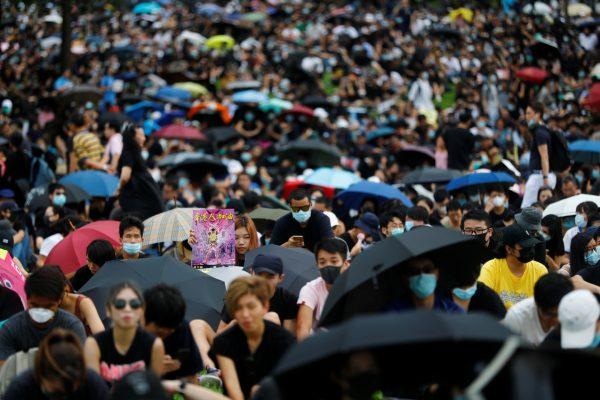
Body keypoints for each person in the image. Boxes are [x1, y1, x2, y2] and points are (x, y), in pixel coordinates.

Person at [211, 276, 295, 400]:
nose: (245, 315)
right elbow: (233, 389)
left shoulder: (283, 339)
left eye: (251, 306)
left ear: (265, 306)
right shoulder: (224, 342)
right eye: (238, 308)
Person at [0, 266, 86, 366]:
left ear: (59, 301)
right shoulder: (11, 329)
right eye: (35, 305)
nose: (41, 311)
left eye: (48, 306)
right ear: (27, 299)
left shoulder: (72, 326)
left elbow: (80, 368)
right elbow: (4, 372)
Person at [84, 282, 165, 383]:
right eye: (120, 304)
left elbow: (154, 389)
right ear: (108, 310)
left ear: (142, 310)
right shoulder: (93, 344)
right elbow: (94, 389)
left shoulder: (155, 345)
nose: (127, 309)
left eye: (134, 304)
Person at [3, 329, 109, 400]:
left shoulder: (92, 383)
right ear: (41, 374)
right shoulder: (22, 387)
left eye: (68, 390)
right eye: (54, 393)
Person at [143, 284, 205, 380]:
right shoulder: (127, 331)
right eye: (158, 334)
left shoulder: (181, 329)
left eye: (169, 334)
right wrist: (151, 370)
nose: (161, 340)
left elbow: (190, 377)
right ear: (143, 318)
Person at [478, 223, 548, 309]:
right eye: (524, 246)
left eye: (531, 244)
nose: (530, 249)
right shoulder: (491, 269)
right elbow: (482, 302)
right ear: (508, 249)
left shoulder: (540, 270)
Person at [296, 238, 350, 339]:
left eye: (334, 261)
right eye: (322, 262)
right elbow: (303, 327)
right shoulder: (311, 289)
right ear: (317, 266)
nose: (328, 265)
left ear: (346, 264)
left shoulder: (356, 286)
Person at [502, 273, 573, 346]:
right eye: (549, 314)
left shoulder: (575, 313)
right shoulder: (516, 318)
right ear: (536, 304)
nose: (556, 320)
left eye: (561, 313)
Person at [116, 124, 163, 221]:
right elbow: (125, 176)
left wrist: (118, 189)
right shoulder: (129, 151)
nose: (144, 138)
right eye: (141, 135)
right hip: (138, 198)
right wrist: (119, 189)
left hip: (140, 196)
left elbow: (126, 176)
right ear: (132, 137)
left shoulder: (133, 151)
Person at [44, 265, 104, 335]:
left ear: (66, 288)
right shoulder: (42, 307)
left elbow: (100, 333)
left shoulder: (83, 303)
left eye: (53, 294)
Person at [521, 103, 556, 208]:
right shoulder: (543, 129)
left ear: (538, 114)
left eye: (529, 113)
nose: (526, 116)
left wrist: (545, 181)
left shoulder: (540, 132)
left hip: (540, 176)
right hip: (544, 175)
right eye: (526, 113)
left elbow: (544, 156)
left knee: (526, 209)